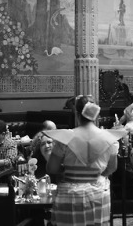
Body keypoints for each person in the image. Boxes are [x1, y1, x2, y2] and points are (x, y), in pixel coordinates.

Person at [46, 95, 120, 226]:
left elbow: (51, 168)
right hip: (99, 194)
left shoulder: (65, 138)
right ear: (95, 114)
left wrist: (65, 170)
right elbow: (112, 168)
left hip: (70, 196)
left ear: (77, 113)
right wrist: (95, 174)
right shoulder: (110, 139)